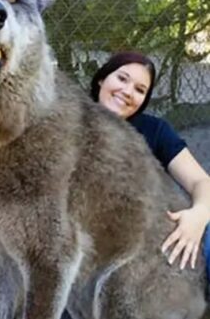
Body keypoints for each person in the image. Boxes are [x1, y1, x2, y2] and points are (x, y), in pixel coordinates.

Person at [90, 52, 210, 275]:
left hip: (154, 228)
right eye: (122, 79)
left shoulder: (154, 130)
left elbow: (201, 181)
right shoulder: (70, 123)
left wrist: (199, 215)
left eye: (139, 90)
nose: (127, 92)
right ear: (101, 79)